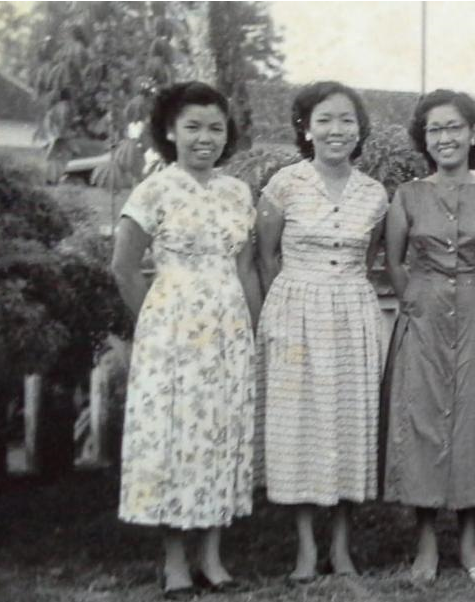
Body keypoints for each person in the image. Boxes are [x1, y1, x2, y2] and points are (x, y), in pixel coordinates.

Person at [111, 81, 259, 599]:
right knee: (177, 440)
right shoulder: (155, 189)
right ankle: (175, 561)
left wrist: (254, 331)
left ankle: (213, 556)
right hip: (172, 336)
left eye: (215, 128)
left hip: (229, 333)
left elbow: (244, 271)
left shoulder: (238, 192)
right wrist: (155, 324)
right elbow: (124, 268)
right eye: (192, 127)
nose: (205, 138)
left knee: (220, 436)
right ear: (169, 131)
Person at [382, 89, 475, 584]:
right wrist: (417, 303)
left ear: (472, 134)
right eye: (434, 130)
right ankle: (425, 544)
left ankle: (469, 542)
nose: (444, 138)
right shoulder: (407, 196)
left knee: (471, 426)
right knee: (421, 425)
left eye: (453, 128)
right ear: (425, 140)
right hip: (422, 321)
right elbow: (395, 263)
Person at [255, 81, 389, 583]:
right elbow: (265, 257)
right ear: (306, 128)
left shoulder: (374, 193)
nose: (337, 130)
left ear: (360, 129)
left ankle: (343, 545)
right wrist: (287, 310)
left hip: (352, 311)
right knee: (299, 427)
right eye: (325, 119)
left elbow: (369, 256)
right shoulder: (284, 184)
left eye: (347, 120)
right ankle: (307, 549)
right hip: (295, 309)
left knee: (350, 425)